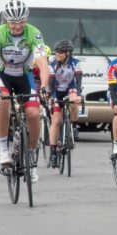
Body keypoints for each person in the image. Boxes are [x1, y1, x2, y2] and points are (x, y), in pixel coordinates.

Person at [0, 0, 50, 182]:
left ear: (26, 20)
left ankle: (30, 156)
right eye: (13, 22)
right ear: (7, 21)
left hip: (24, 75)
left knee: (33, 113)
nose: (17, 26)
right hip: (3, 74)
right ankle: (3, 150)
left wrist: (44, 86)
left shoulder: (33, 33)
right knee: (3, 101)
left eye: (21, 21)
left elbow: (43, 64)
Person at [47, 39, 83, 168]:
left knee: (74, 100)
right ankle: (53, 152)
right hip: (56, 91)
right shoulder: (51, 64)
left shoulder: (75, 63)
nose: (58, 54)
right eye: (56, 52)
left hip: (70, 88)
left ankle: (73, 126)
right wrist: (51, 97)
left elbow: (78, 81)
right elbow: (50, 83)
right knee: (56, 121)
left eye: (61, 52)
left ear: (68, 53)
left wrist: (78, 95)